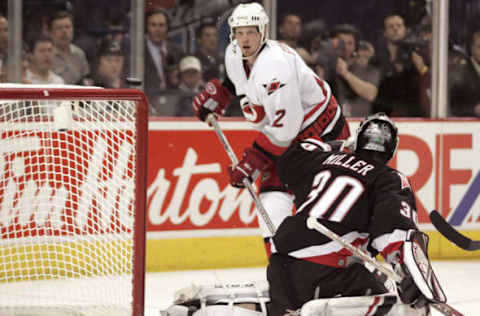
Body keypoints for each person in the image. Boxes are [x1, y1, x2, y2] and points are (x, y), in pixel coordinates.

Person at [192, 2, 351, 258]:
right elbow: (238, 79)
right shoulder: (235, 53)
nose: (245, 39)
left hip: (323, 130)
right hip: (291, 129)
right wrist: (220, 95)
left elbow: (284, 129)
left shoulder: (276, 65)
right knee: (271, 196)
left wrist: (254, 160)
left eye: (251, 32)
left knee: (320, 203)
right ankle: (281, 264)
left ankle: (335, 261)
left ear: (263, 32)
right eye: (240, 32)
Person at [268, 113, 446, 315]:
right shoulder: (388, 178)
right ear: (392, 149)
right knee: (408, 311)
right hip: (330, 272)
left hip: (280, 261)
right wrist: (413, 276)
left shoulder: (324, 159)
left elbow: (289, 160)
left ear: (358, 140)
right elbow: (394, 229)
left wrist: (338, 146)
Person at [373, 13, 428, 117]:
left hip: (412, 115)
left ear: (405, 30)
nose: (395, 29)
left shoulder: (417, 56)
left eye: (399, 25)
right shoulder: (377, 59)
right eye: (391, 26)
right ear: (385, 32)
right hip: (384, 114)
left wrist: (421, 68)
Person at [330, 24, 380, 117]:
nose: (345, 47)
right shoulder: (324, 67)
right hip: (332, 124)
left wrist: (345, 74)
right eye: (341, 42)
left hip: (360, 123)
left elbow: (371, 94)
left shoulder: (369, 68)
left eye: (349, 43)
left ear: (355, 46)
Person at [144, 9, 184, 104]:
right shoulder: (138, 52)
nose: (157, 30)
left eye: (161, 25)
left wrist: (176, 80)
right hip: (148, 102)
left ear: (167, 28)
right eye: (153, 25)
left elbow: (184, 81)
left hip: (174, 103)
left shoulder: (178, 51)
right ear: (146, 28)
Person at [48, 10, 90, 85]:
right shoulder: (47, 54)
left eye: (67, 27)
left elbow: (86, 79)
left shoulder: (79, 54)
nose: (64, 31)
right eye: (59, 28)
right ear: (51, 33)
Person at [449, 29, 480, 117]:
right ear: (472, 48)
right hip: (468, 125)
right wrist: (473, 110)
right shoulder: (460, 71)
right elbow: (452, 105)